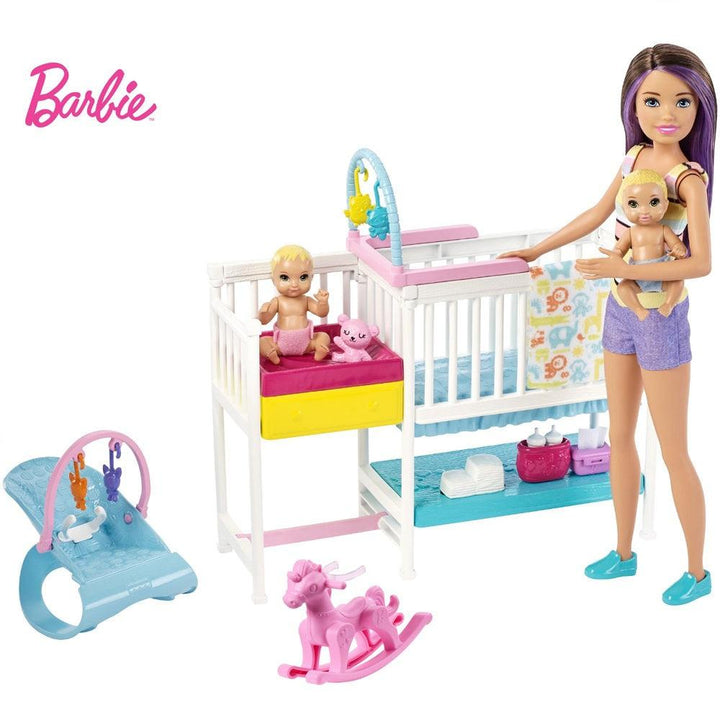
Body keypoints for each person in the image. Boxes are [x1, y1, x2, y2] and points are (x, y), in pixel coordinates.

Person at [499, 44, 715, 605]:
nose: (667, 113)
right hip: (619, 311)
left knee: (673, 450)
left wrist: (622, 268)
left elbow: (701, 263)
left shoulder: (688, 180)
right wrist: (537, 250)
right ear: (632, 106)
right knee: (619, 436)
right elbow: (597, 215)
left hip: (661, 318)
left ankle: (697, 572)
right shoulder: (634, 159)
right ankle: (623, 553)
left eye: (683, 101)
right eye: (652, 100)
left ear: (700, 108)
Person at [612, 169, 687, 320]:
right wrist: (616, 254)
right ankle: (638, 309)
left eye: (654, 202)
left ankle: (669, 304)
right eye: (633, 204)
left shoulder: (663, 230)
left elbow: (678, 245)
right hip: (636, 275)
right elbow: (620, 248)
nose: (644, 211)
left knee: (678, 282)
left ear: (665, 205)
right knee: (623, 288)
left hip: (661, 273)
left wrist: (679, 250)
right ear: (624, 208)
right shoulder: (631, 232)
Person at [258, 245, 331, 364]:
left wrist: (323, 302)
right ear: (274, 280)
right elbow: (264, 321)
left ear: (311, 278)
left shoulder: (306, 300)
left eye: (303, 277)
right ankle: (271, 353)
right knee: (261, 342)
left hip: (307, 342)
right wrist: (263, 312)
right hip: (280, 344)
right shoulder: (277, 301)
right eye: (285, 278)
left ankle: (319, 348)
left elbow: (321, 313)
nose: (294, 284)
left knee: (324, 336)